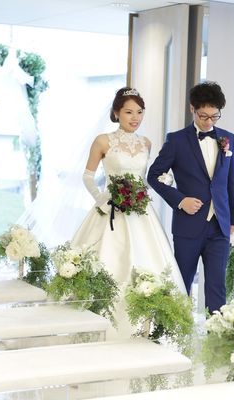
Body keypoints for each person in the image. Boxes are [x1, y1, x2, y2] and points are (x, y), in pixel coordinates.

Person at [72, 87, 187, 337]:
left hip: (141, 212)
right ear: (116, 113)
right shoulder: (103, 141)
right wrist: (103, 200)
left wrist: (164, 180)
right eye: (128, 112)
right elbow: (88, 176)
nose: (135, 117)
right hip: (111, 210)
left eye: (139, 112)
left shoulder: (146, 143)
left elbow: (144, 178)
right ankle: (101, 321)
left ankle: (145, 325)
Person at [148, 81, 234, 314]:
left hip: (219, 226)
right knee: (181, 285)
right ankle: (175, 333)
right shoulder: (176, 140)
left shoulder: (228, 138)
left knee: (217, 288)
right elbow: (153, 175)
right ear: (192, 109)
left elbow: (232, 182)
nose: (209, 122)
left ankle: (216, 334)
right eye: (203, 116)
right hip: (188, 225)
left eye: (214, 116)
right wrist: (180, 200)